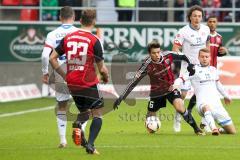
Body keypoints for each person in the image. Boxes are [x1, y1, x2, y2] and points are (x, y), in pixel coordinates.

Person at [49, 9, 109, 155]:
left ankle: (79, 126)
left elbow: (52, 58)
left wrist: (65, 76)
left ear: (80, 21)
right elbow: (102, 68)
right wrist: (106, 77)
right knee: (98, 115)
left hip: (73, 83)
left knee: (85, 113)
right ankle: (91, 145)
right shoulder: (94, 40)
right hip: (87, 83)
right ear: (93, 22)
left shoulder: (69, 37)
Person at [113, 40, 204, 136]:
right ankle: (152, 127)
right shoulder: (146, 65)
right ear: (149, 54)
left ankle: (196, 129)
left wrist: (190, 64)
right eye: (154, 53)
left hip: (170, 88)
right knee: (150, 121)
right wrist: (122, 96)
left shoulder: (168, 55)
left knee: (180, 107)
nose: (157, 55)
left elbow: (183, 56)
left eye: (158, 52)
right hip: (156, 92)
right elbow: (134, 82)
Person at [41, 6, 87, 148]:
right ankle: (81, 136)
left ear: (60, 17)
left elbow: (44, 55)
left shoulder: (53, 34)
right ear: (74, 18)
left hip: (60, 70)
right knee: (84, 107)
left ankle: (63, 140)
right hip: (78, 71)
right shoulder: (80, 33)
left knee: (62, 106)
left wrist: (45, 72)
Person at [174, 48, 236, 135]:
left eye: (206, 57)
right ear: (198, 58)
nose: (204, 59)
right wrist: (176, 85)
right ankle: (214, 129)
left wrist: (226, 96)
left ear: (210, 58)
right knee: (206, 107)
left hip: (217, 105)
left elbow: (218, 85)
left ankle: (219, 129)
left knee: (232, 131)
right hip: (202, 104)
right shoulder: (193, 70)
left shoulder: (213, 70)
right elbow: (181, 79)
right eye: (202, 57)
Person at [186, 15, 229, 131]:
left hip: (212, 68)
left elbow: (217, 53)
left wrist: (224, 51)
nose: (212, 24)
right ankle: (191, 111)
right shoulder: (203, 35)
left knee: (209, 95)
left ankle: (204, 121)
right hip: (201, 68)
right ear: (207, 23)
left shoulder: (219, 38)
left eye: (214, 22)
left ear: (217, 23)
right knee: (200, 93)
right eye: (210, 21)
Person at [172, 5, 210, 132]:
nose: (197, 18)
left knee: (204, 95)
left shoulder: (206, 29)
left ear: (202, 17)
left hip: (202, 68)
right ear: (189, 17)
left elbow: (207, 44)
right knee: (182, 94)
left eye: (199, 16)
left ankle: (206, 122)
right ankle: (178, 117)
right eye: (194, 16)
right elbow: (175, 49)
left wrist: (207, 58)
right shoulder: (183, 31)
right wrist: (184, 58)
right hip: (187, 68)